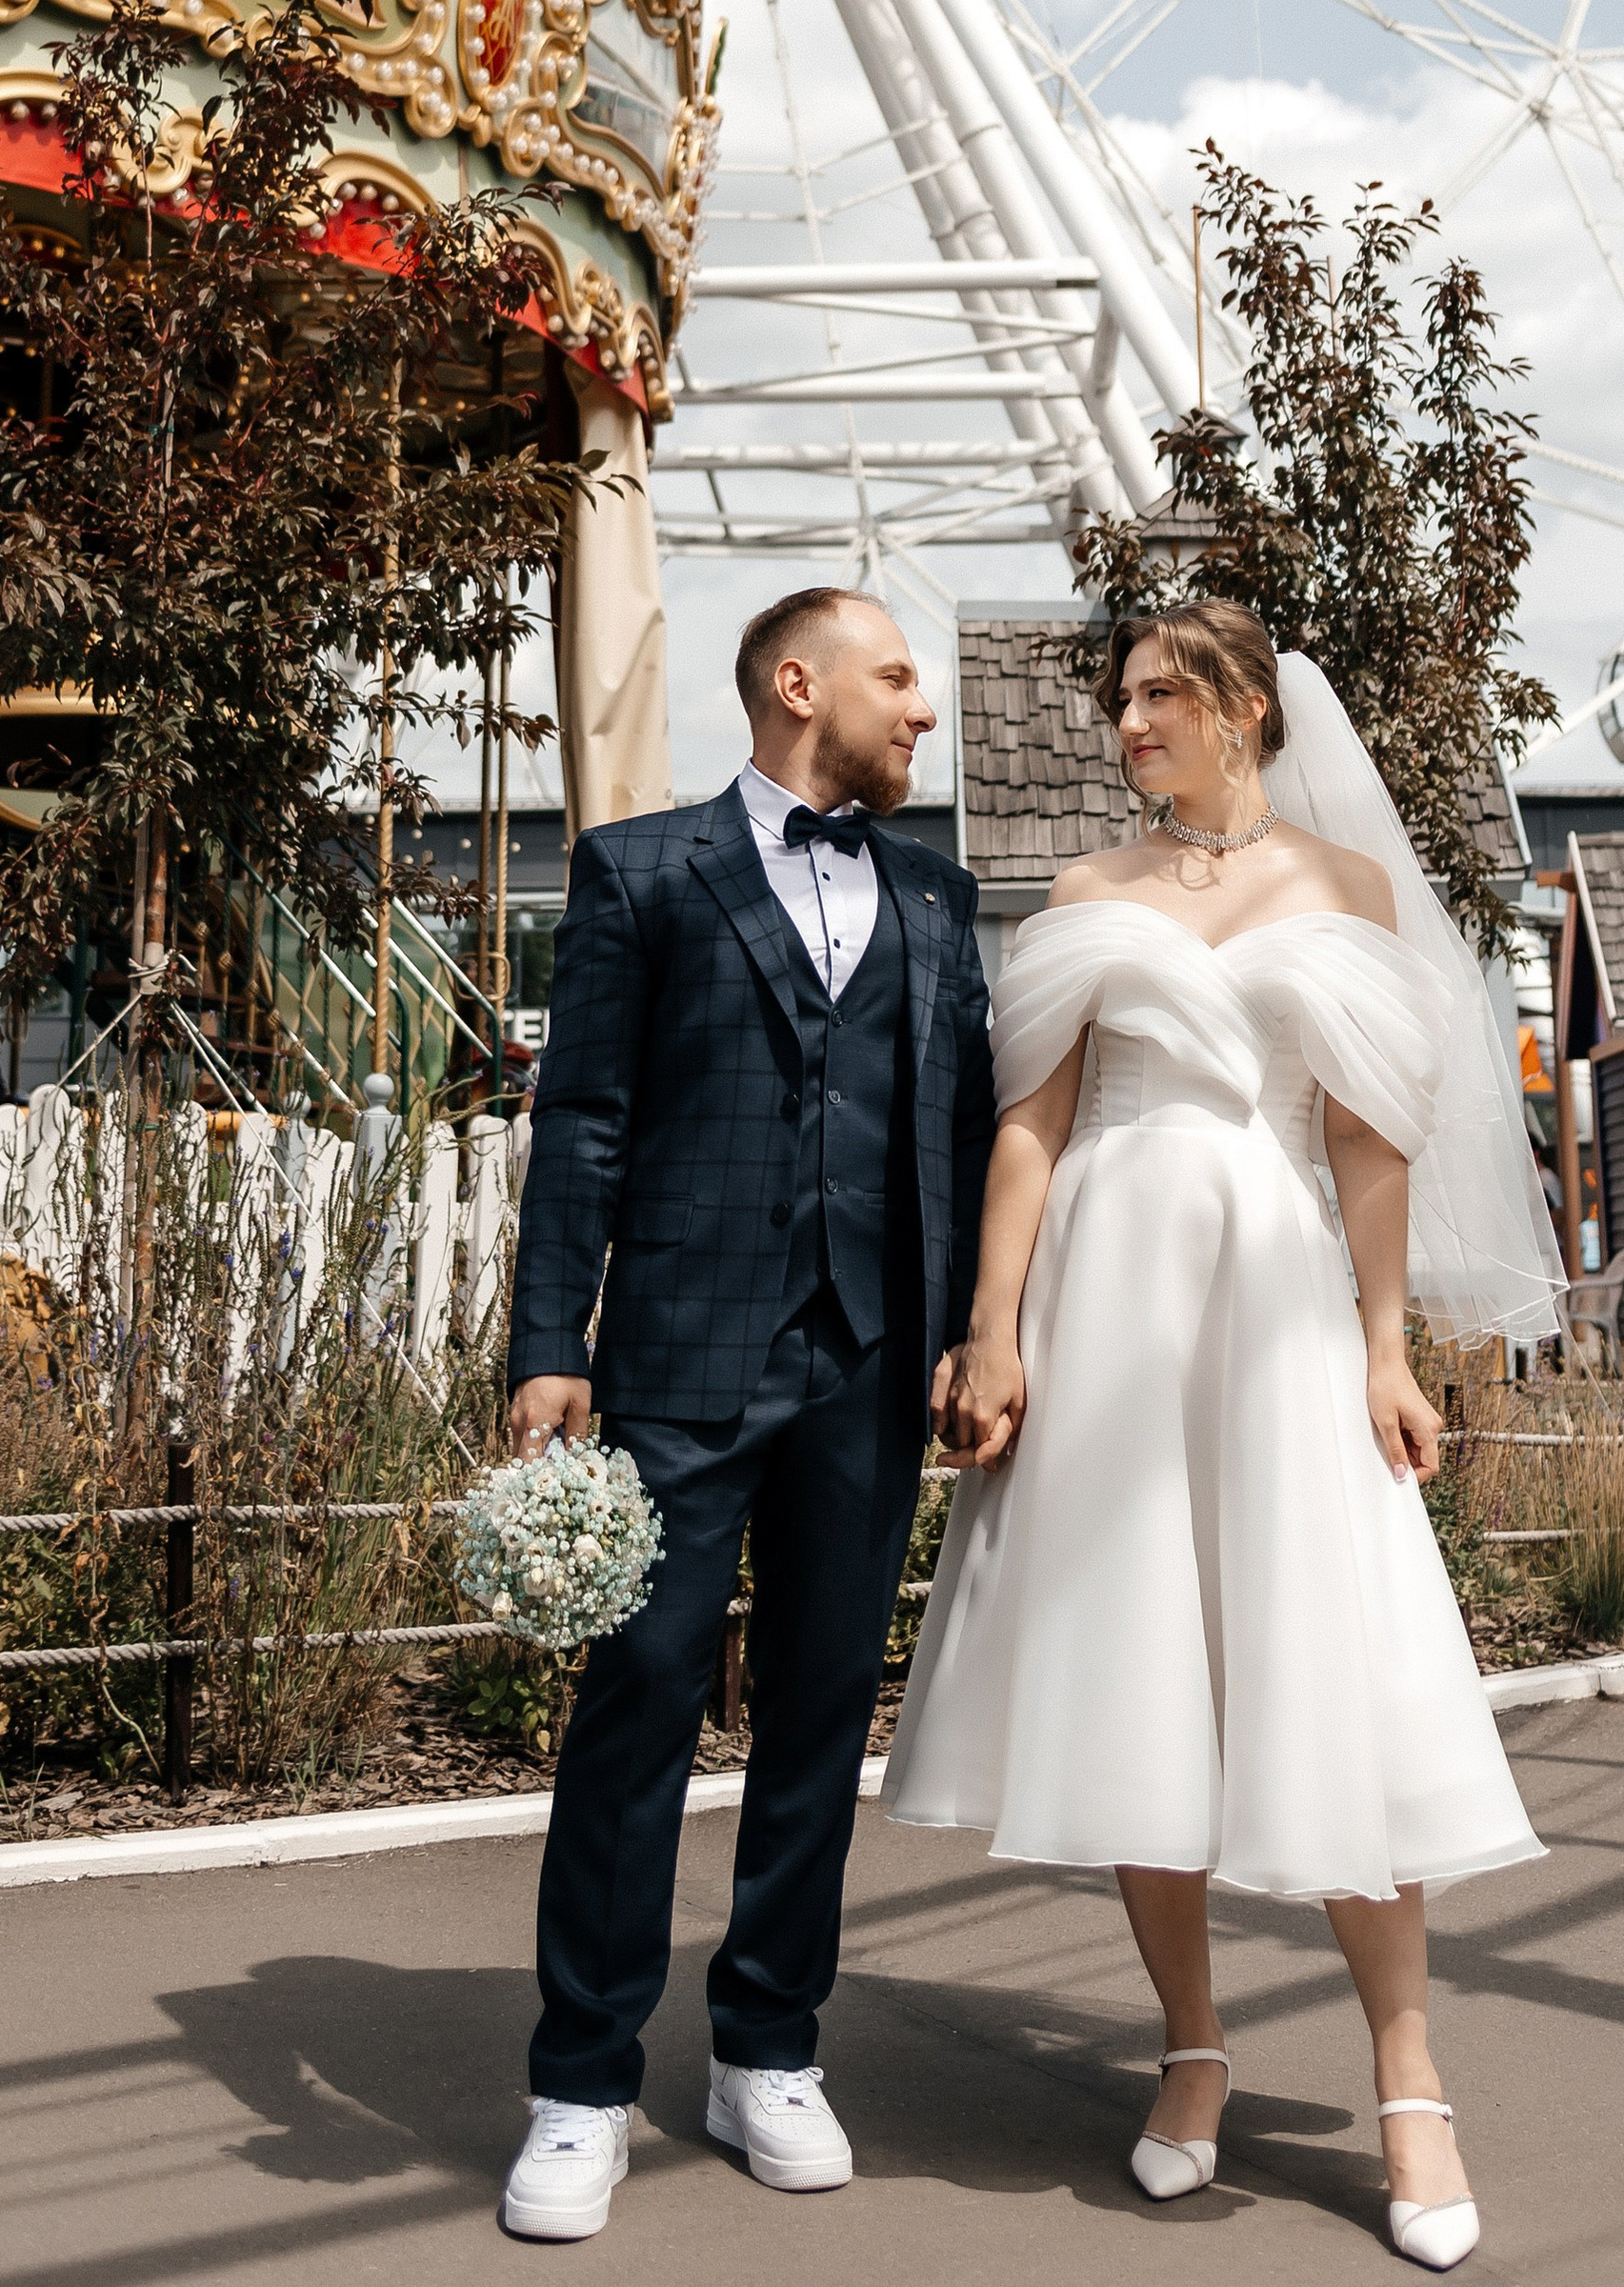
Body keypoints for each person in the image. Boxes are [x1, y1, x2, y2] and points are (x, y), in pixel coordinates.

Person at [885, 604, 1566, 2275]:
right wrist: (995, 1326)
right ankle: (1190, 2046)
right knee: (1135, 1673)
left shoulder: (1348, 890)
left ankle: (1411, 2081)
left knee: (1321, 1662)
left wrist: (1387, 1347)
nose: (1128, 724)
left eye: (1157, 697)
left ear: (1246, 709)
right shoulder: (1085, 896)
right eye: (1121, 699)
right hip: (1107, 1299)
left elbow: (1367, 1138)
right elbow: (1030, 1124)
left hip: (1271, 1301)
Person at [497, 588, 995, 2244]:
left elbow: (972, 1133)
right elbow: (582, 1119)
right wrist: (547, 1339)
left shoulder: (938, 891)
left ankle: (769, 2047)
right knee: (638, 1700)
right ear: (800, 687)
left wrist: (981, 1340)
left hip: (871, 1364)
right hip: (679, 1360)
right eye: (896, 679)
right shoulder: (642, 870)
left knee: (817, 1716)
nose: (922, 710)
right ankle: (581, 2080)